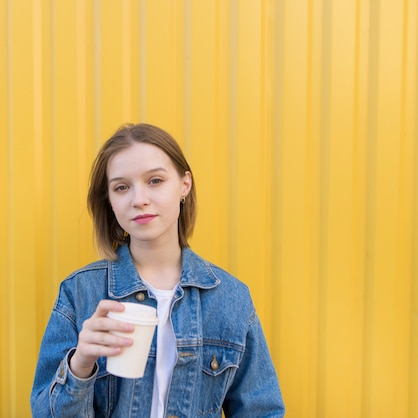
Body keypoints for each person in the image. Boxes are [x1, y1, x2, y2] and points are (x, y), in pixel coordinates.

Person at [31, 123, 285, 417]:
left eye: (154, 180)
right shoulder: (80, 293)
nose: (139, 199)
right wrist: (81, 363)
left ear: (183, 185)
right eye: (122, 187)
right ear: (110, 201)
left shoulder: (230, 299)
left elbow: (262, 411)